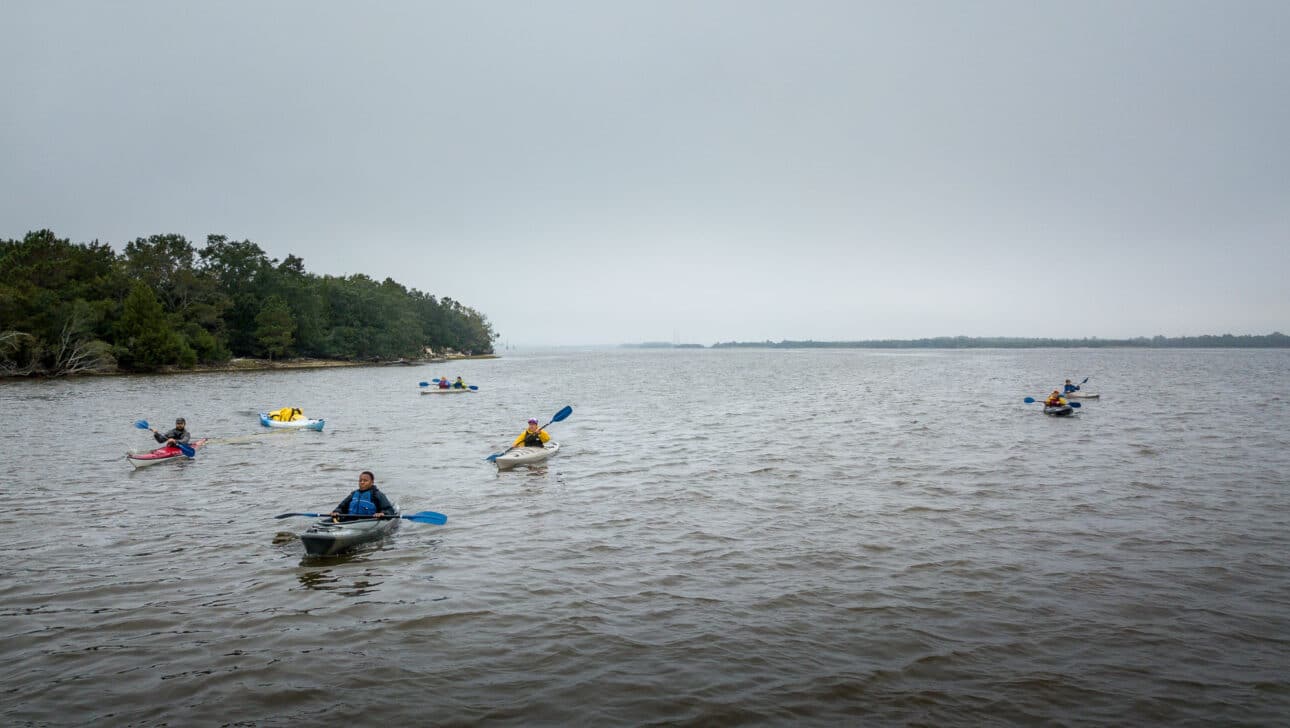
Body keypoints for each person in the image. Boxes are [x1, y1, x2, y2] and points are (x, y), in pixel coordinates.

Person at [330, 471, 394, 522]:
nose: (362, 482)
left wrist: (383, 513)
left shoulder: (377, 494)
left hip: (369, 522)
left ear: (372, 482)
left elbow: (389, 510)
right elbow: (341, 507)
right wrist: (337, 512)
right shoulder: (353, 494)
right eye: (360, 480)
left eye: (365, 480)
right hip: (351, 521)